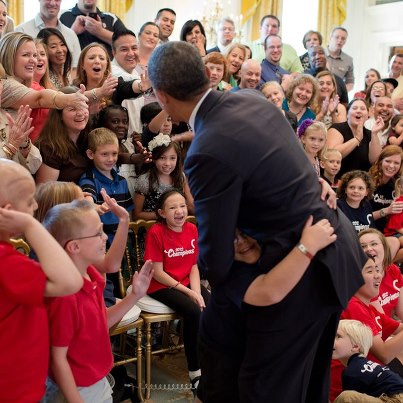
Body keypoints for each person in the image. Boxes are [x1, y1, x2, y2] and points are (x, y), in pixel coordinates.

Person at [148, 41, 366, 403]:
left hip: (298, 273)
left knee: (266, 389)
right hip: (332, 243)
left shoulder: (204, 153)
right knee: (310, 382)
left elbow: (216, 260)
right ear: (206, 73)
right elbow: (285, 165)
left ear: (161, 95)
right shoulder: (249, 100)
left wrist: (235, 257)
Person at [43, 198, 153, 402]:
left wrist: (134, 296)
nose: (104, 238)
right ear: (74, 246)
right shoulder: (65, 297)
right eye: (98, 233)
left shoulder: (91, 275)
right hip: (77, 387)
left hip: (96, 378)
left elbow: (100, 323)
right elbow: (57, 359)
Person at [0, 159, 83, 403]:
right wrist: (30, 225)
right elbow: (70, 281)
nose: (36, 206)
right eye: (29, 202)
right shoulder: (6, 261)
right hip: (16, 388)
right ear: (8, 211)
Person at [144, 189, 210, 393]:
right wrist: (190, 294)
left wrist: (198, 292)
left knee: (211, 306)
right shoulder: (156, 231)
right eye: (172, 207)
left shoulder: (191, 228)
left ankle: (211, 362)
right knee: (192, 311)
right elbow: (157, 273)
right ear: (162, 213)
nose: (179, 211)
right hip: (159, 284)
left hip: (185, 281)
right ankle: (195, 371)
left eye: (182, 205)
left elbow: (193, 267)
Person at [330, 255, 403, 401]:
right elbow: (385, 354)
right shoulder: (353, 306)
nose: (378, 275)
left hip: (375, 385)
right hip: (351, 389)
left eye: (378, 269)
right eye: (370, 271)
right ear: (352, 278)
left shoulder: (369, 309)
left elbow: (398, 329)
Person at [79, 127, 134, 245]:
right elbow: (87, 202)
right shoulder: (89, 179)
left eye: (114, 154)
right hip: (99, 244)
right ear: (90, 154)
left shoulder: (122, 181)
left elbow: (128, 213)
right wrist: (98, 208)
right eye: (104, 154)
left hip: (122, 243)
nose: (110, 159)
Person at [332, 319, 403, 403]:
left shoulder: (352, 371)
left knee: (346, 397)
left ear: (355, 346)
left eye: (338, 336)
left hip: (396, 399)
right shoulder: (361, 365)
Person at [35, 86, 90, 184]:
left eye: (83, 107)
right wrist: (77, 195)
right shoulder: (49, 148)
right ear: (59, 115)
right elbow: (44, 193)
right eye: (72, 109)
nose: (80, 113)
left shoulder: (89, 138)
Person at [134, 133, 194, 220]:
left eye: (172, 158)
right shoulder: (145, 181)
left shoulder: (181, 177)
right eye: (162, 158)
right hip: (153, 228)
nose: (167, 163)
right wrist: (166, 215)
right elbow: (137, 214)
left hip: (176, 226)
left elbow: (190, 205)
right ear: (154, 158)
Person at [97, 104, 150, 197]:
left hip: (132, 195)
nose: (121, 125)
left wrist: (139, 152)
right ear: (103, 124)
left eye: (125, 122)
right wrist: (135, 157)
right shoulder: (100, 146)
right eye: (115, 121)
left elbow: (137, 173)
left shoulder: (129, 145)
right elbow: (119, 157)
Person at [15, 0, 81, 72]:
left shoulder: (70, 34)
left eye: (57, 0)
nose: (52, 3)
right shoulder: (22, 31)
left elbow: (76, 68)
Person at [327, 98, 383, 178]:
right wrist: (356, 139)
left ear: (368, 115)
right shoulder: (337, 128)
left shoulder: (370, 133)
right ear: (347, 114)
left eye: (363, 109)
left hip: (363, 183)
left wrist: (374, 134)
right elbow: (332, 155)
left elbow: (375, 161)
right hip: (338, 181)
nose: (359, 111)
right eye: (354, 108)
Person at [359, 228, 403, 320]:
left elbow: (401, 311)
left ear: (384, 247)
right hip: (374, 330)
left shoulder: (393, 270)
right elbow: (383, 323)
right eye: (363, 246)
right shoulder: (362, 280)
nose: (369, 249)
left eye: (374, 244)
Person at [59, 0, 127, 58]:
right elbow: (54, 46)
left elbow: (127, 43)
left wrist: (101, 32)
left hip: (108, 71)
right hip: (73, 70)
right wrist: (73, 32)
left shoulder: (111, 18)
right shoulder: (62, 16)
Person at [369, 145, 403, 233]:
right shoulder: (367, 182)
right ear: (380, 161)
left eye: (396, 163)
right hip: (370, 230)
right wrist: (387, 211)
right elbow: (359, 216)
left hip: (391, 231)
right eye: (388, 161)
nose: (391, 166)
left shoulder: (397, 184)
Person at [325, 27, 354, 92]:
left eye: (343, 38)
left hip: (336, 96)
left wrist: (340, 92)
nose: (340, 40)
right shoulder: (319, 54)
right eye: (337, 37)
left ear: (345, 41)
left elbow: (350, 82)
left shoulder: (348, 60)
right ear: (330, 37)